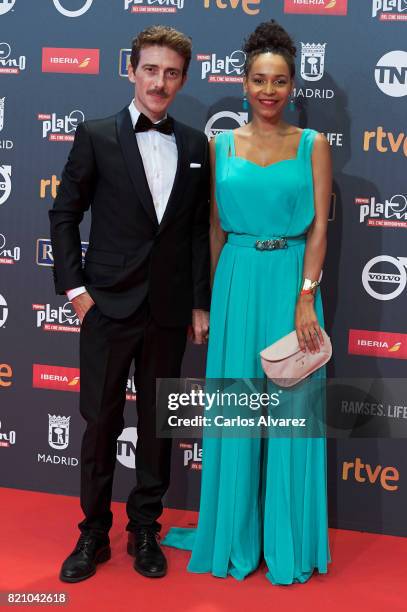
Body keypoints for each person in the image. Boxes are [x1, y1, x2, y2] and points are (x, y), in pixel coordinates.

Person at [162, 20, 332, 585]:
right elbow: (212, 228)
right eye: (259, 79)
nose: (268, 90)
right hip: (235, 283)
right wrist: (207, 302)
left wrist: (307, 296)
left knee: (290, 421)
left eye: (279, 81)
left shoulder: (313, 145)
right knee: (236, 419)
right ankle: (234, 535)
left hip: (290, 286)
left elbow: (320, 232)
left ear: (292, 87)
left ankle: (285, 542)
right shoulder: (220, 145)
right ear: (243, 82)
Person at [49, 25, 210, 582]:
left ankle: (146, 528)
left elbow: (192, 232)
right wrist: (76, 291)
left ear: (183, 78)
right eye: (150, 69)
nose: (159, 82)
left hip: (168, 312)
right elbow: (63, 214)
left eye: (170, 73)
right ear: (131, 69)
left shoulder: (194, 144)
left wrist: (198, 304)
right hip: (107, 307)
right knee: (99, 422)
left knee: (159, 423)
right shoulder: (95, 135)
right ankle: (93, 532)